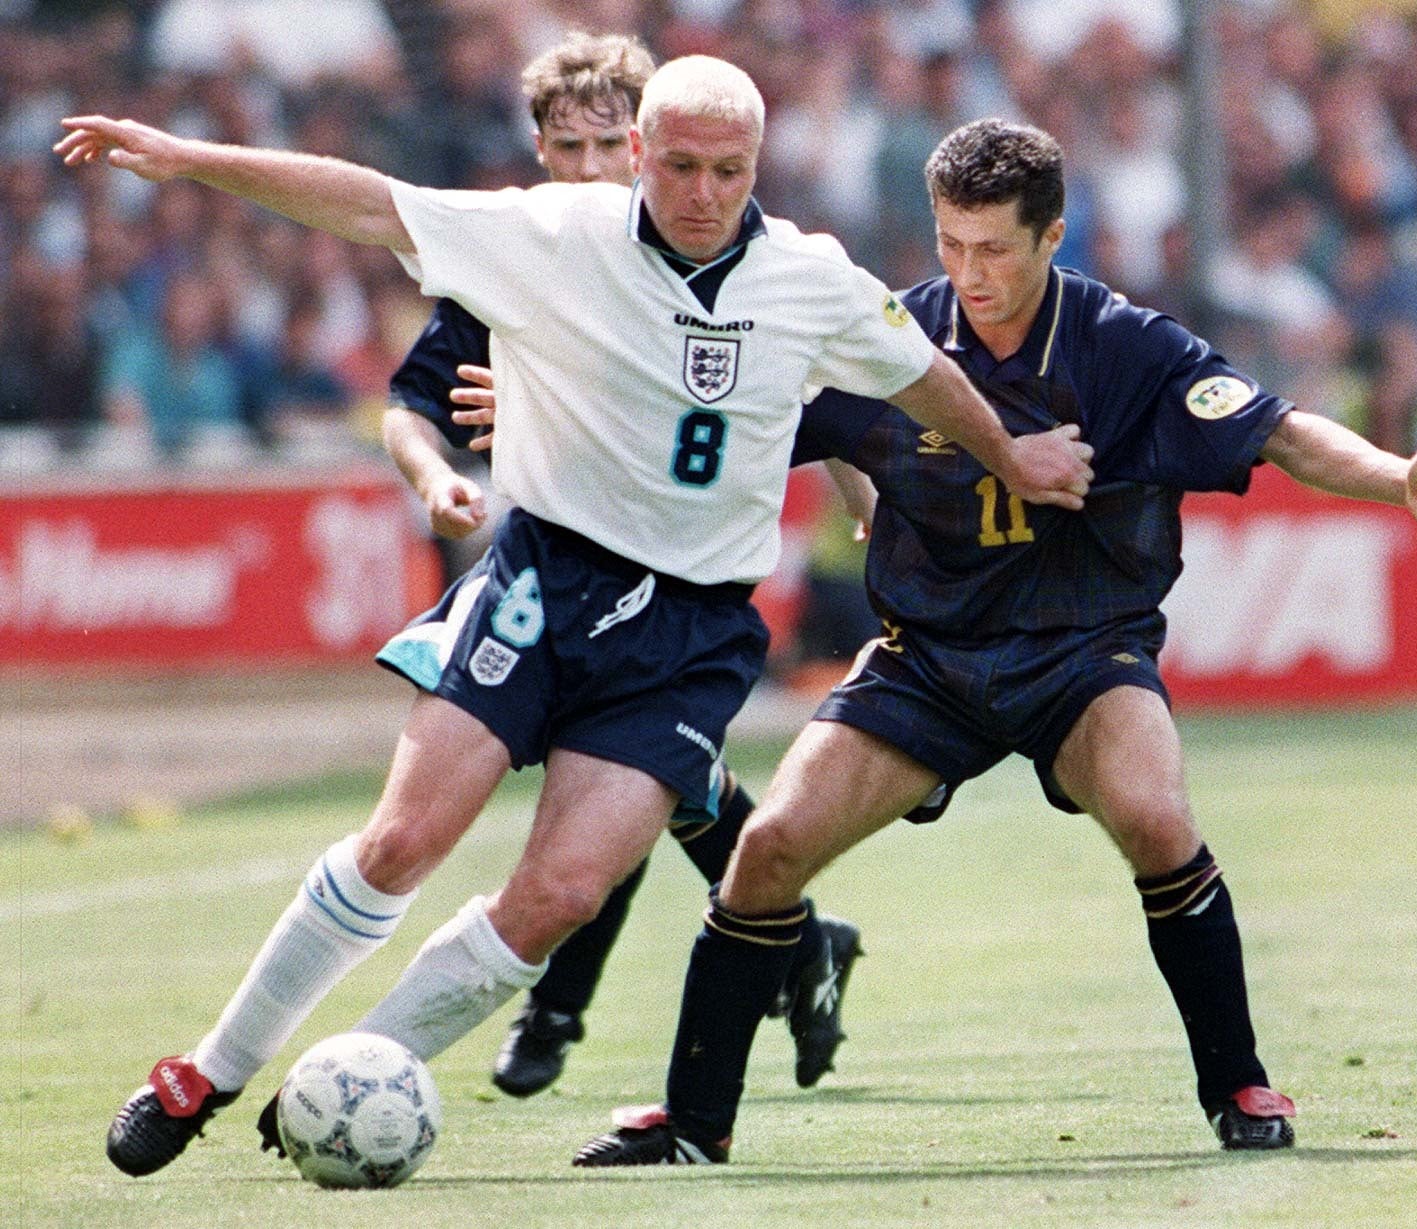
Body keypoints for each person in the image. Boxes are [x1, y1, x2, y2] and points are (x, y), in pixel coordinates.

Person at [57, 61, 1094, 1178]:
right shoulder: (555, 234)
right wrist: (186, 159)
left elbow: (919, 374)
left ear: (760, 165)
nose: (703, 192)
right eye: (682, 166)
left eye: (729, 171)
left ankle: (357, 1068)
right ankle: (207, 1069)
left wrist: (1012, 453)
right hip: (545, 580)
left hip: (690, 635)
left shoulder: (810, 278)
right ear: (641, 153)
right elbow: (364, 199)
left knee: (560, 892)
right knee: (403, 837)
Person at [571, 118, 1417, 1166]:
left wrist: (1397, 480)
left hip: (1082, 653)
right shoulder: (892, 340)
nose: (968, 272)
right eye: (950, 244)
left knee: (1155, 816)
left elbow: (1281, 433)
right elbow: (729, 424)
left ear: (1052, 235)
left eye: (995, 249)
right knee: (767, 847)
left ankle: (1236, 1077)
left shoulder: (1124, 347)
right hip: (927, 660)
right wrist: (566, 416)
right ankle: (695, 1121)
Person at [384, 30, 865, 1100]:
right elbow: (411, 404)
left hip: (672, 577)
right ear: (543, 151)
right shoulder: (525, 253)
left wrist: (868, 500)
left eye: (613, 144)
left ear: (644, 145)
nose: (594, 168)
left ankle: (558, 1004)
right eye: (572, 146)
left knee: (628, 776)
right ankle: (802, 945)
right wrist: (431, 475)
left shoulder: (721, 259)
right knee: (665, 784)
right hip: (558, 562)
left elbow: (821, 401)